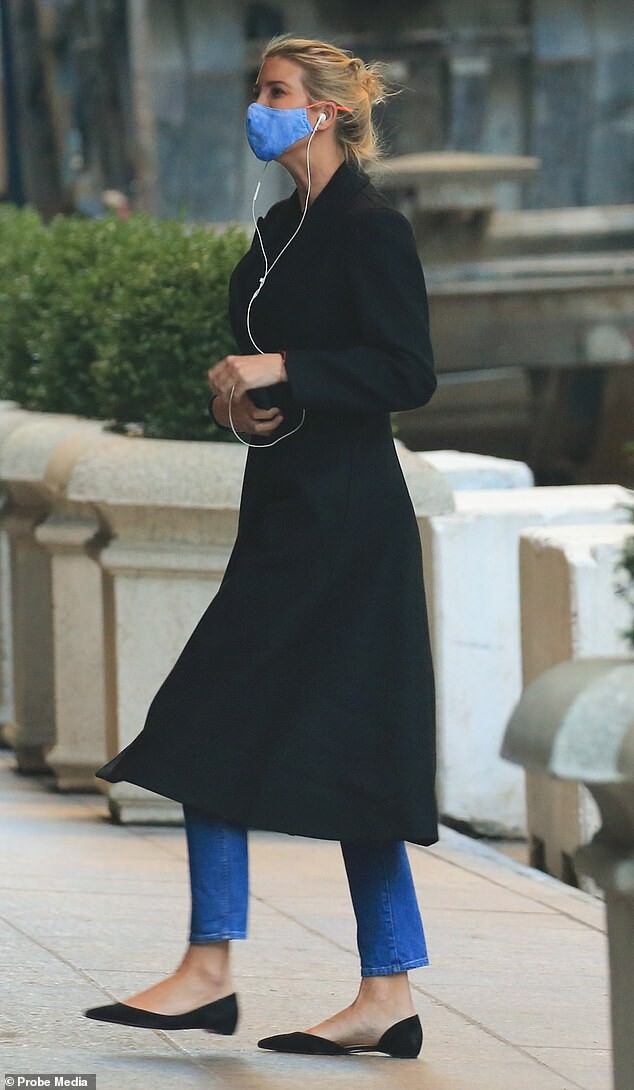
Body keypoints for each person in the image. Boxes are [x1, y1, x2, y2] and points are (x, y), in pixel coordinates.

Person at [84, 34, 438, 1059]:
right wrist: (243, 406)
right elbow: (272, 372)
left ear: (325, 110)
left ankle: (211, 967)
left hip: (347, 527)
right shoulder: (279, 228)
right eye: (257, 89)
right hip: (285, 509)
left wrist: (283, 364)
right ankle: (385, 990)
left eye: (276, 91)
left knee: (208, 715)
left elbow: (407, 372)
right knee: (346, 741)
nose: (258, 104)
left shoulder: (371, 229)